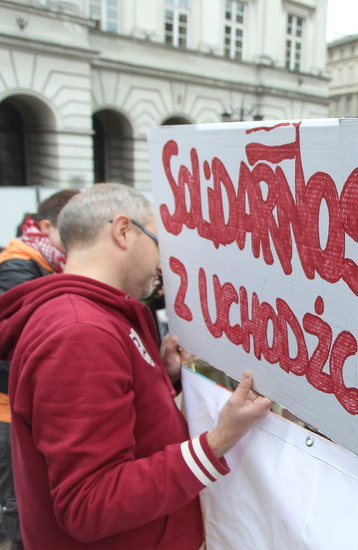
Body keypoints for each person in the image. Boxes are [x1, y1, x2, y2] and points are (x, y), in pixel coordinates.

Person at [0, 184, 273, 549]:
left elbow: (116, 419)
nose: (162, 262)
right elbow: (90, 504)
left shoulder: (91, 318)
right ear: (123, 231)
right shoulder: (80, 332)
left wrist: (163, 378)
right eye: (158, 243)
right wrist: (219, 439)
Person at [0, 189, 80, 550]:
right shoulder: (18, 265)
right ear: (46, 227)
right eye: (72, 227)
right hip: (7, 408)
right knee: (18, 500)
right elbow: (27, 337)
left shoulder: (48, 263)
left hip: (27, 405)